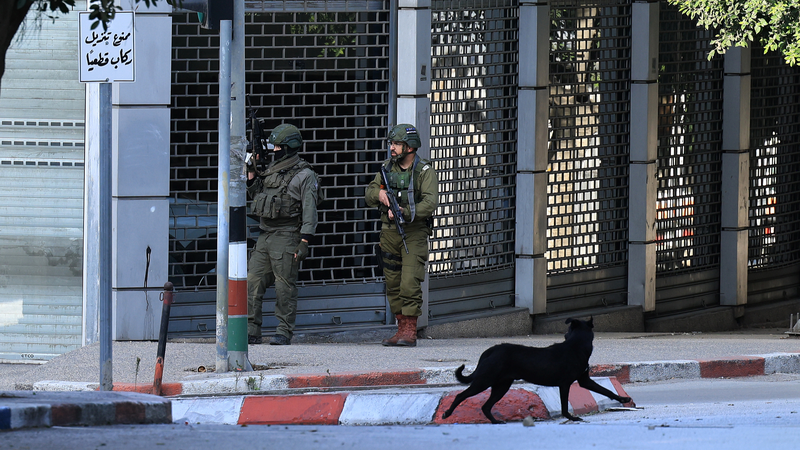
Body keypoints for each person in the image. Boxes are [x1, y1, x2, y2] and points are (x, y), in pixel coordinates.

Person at [365, 124, 438, 347]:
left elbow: (430, 202)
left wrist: (405, 212)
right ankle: (400, 326)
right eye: (392, 143)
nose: (392, 148)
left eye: (396, 144)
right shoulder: (387, 168)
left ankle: (410, 329)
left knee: (409, 281)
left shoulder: (424, 171)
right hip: (389, 232)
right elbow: (369, 193)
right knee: (393, 281)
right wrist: (380, 194)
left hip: (413, 232)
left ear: (409, 146)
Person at [246, 124, 320, 345]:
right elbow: (257, 196)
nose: (274, 150)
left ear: (289, 147)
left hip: (287, 235)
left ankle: (284, 331)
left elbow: (310, 210)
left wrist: (305, 240)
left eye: (278, 146)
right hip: (265, 234)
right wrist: (251, 173)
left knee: (284, 286)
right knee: (253, 281)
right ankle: (251, 329)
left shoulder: (304, 175)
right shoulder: (270, 171)